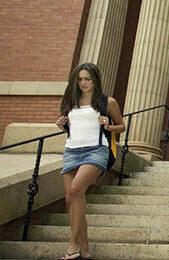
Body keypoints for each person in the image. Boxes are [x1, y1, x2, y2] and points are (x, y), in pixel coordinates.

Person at [56, 62, 125, 260]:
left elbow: (122, 126)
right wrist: (62, 124)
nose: (84, 83)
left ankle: (72, 245)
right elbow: (71, 126)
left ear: (95, 80)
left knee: (77, 189)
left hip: (96, 150)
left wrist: (108, 126)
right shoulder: (70, 102)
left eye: (88, 79)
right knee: (71, 200)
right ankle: (85, 250)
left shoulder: (107, 102)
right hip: (71, 151)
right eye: (80, 79)